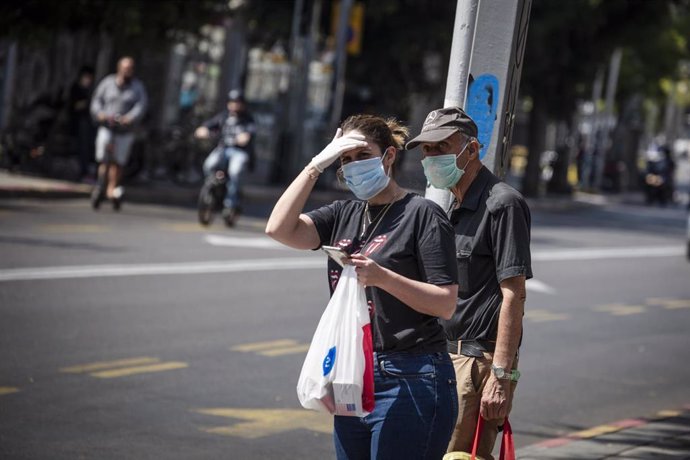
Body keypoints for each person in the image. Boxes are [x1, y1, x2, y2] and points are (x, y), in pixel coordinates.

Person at [266, 114, 460, 459]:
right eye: (345, 159)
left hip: (412, 375)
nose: (354, 166)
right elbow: (279, 229)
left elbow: (445, 303)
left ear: (388, 156)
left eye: (363, 155)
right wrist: (315, 165)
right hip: (354, 373)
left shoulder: (422, 214)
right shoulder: (344, 213)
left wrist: (383, 277)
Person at [406, 107, 532, 460]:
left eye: (441, 147)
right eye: (426, 150)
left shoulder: (502, 204)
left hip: (474, 364)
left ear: (472, 150)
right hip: (440, 356)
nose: (431, 157)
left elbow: (514, 294)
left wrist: (501, 376)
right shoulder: (452, 205)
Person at [90, 56, 148, 210]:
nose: (127, 71)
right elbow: (96, 100)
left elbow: (141, 106)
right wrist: (100, 113)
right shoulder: (108, 83)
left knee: (118, 162)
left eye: (130, 69)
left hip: (125, 131)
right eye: (125, 68)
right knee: (104, 159)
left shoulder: (137, 87)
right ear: (119, 68)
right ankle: (100, 185)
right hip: (107, 127)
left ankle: (112, 188)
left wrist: (130, 118)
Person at [194, 89, 255, 225]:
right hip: (223, 149)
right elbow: (208, 125)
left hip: (239, 152)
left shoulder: (247, 119)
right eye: (232, 102)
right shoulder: (224, 117)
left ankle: (230, 203)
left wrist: (244, 138)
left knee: (235, 171)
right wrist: (203, 130)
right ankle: (211, 190)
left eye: (237, 102)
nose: (234, 105)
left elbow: (248, 133)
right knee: (209, 164)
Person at [69, 65, 96, 181]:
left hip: (88, 123)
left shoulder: (90, 90)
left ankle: (86, 172)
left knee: (88, 148)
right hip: (78, 122)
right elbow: (73, 106)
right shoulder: (76, 88)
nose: (88, 79)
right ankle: (83, 172)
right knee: (82, 148)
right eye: (86, 76)